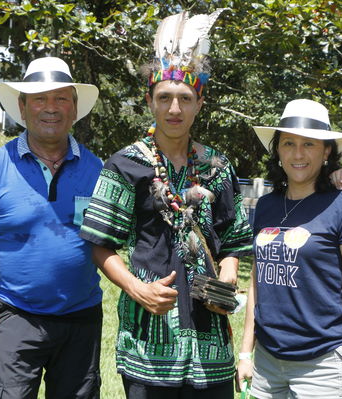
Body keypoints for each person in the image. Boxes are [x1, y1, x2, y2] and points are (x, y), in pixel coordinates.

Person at [79, 10, 253, 399]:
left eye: (185, 99)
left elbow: (234, 240)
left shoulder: (218, 166)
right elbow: (100, 243)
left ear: (199, 103)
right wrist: (135, 288)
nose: (174, 109)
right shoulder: (125, 164)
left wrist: (227, 275)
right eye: (165, 98)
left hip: (211, 340)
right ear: (150, 101)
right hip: (149, 337)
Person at [0, 56, 103, 398]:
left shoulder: (98, 171)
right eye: (40, 98)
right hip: (14, 317)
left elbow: (116, 242)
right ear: (22, 106)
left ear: (74, 109)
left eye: (61, 98)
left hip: (82, 320)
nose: (51, 108)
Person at [236, 99, 342, 398]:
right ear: (277, 150)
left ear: (327, 151)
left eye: (309, 144)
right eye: (288, 143)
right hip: (267, 365)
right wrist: (246, 352)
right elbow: (258, 282)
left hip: (324, 366)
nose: (297, 154)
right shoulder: (266, 205)